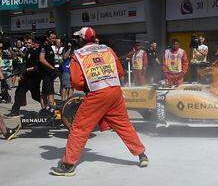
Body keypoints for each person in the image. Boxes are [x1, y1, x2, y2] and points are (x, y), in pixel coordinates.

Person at [50, 27, 148, 177]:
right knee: (123, 124)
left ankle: (68, 165)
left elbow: (76, 81)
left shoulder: (78, 54)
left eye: (78, 38)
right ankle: (141, 154)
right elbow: (121, 72)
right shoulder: (107, 49)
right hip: (115, 91)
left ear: (82, 40)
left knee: (79, 128)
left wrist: (87, 86)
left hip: (97, 93)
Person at [7, 36, 41, 116]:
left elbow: (37, 67)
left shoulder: (36, 52)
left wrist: (27, 70)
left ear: (33, 43)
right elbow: (25, 60)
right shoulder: (28, 51)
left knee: (35, 96)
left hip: (34, 78)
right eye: (25, 43)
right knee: (19, 93)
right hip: (26, 77)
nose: (27, 44)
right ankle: (14, 111)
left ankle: (47, 108)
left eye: (29, 43)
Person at [39, 30, 57, 107]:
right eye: (52, 38)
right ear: (47, 38)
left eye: (55, 38)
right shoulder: (43, 47)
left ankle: (44, 109)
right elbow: (41, 59)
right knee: (50, 93)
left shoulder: (49, 46)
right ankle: (51, 110)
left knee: (44, 92)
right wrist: (52, 67)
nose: (54, 40)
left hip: (50, 74)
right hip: (46, 73)